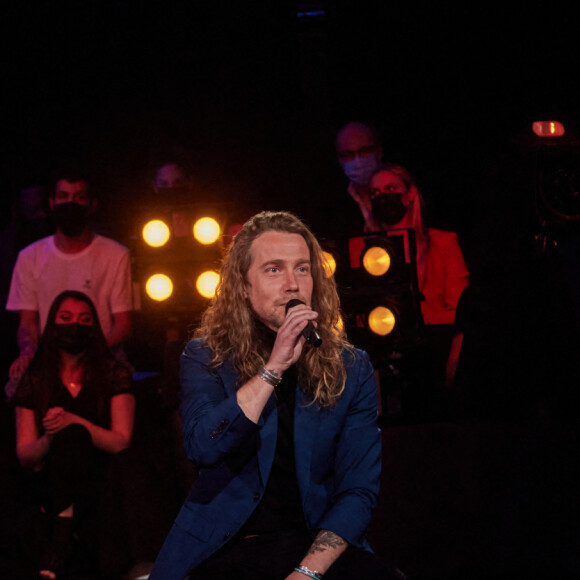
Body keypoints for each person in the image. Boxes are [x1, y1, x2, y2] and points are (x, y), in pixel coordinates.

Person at [150, 211, 399, 579]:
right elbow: (203, 446)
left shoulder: (352, 367)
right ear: (244, 286)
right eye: (273, 269)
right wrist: (273, 368)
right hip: (228, 544)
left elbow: (358, 491)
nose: (292, 284)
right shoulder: (206, 356)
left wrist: (307, 573)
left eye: (302, 269)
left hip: (314, 545)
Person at [12, 290, 135, 579]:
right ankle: (65, 528)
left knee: (75, 434)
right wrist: (51, 437)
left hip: (102, 478)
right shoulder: (35, 378)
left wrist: (73, 421)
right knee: (67, 440)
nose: (74, 326)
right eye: (66, 318)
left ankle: (61, 536)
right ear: (53, 323)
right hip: (50, 480)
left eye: (83, 319)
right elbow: (25, 454)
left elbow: (121, 441)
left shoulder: (113, 373)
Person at [6, 169, 133, 384]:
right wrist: (28, 353)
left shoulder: (115, 254)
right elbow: (27, 322)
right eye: (63, 197)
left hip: (101, 355)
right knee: (18, 385)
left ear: (92, 205)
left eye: (79, 197)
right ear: (52, 203)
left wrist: (88, 354)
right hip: (49, 358)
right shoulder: (30, 257)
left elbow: (123, 324)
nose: (70, 204)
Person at [368, 163, 469, 325]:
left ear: (411, 193)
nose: (383, 197)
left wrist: (419, 322)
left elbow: (461, 311)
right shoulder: (364, 251)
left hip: (435, 342)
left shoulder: (443, 244)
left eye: (391, 188)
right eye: (375, 192)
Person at [335, 121, 383, 231]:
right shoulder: (335, 206)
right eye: (349, 155)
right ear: (340, 161)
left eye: (364, 151)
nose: (358, 161)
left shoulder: (397, 193)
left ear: (379, 152)